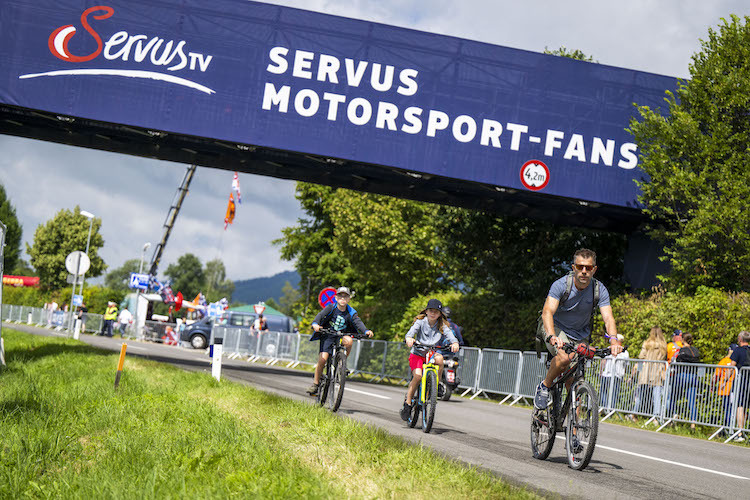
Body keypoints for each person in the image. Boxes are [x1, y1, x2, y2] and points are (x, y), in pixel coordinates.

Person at [535, 248, 622, 412]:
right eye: (580, 266)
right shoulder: (561, 285)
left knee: (575, 383)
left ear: (594, 269)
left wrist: (614, 339)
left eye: (588, 268)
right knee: (564, 358)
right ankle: (545, 386)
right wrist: (552, 335)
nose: (584, 271)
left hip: (580, 335)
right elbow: (547, 312)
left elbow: (608, 318)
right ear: (573, 267)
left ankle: (574, 435)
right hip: (555, 328)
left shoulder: (599, 289)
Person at [306, 287, 373, 396]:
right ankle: (316, 383)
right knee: (323, 359)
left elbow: (358, 322)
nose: (343, 298)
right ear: (336, 298)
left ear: (349, 299)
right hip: (328, 334)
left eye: (345, 296)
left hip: (342, 335)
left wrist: (366, 330)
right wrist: (315, 324)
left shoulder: (351, 311)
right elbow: (320, 316)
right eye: (340, 296)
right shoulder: (330, 307)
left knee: (349, 341)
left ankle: (342, 363)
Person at [400, 298, 459, 420]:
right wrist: (409, 339)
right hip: (417, 353)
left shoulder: (441, 325)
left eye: (436, 312)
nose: (433, 313)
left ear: (440, 314)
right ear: (426, 311)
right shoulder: (420, 322)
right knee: (417, 376)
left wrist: (455, 343)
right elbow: (411, 333)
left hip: (431, 353)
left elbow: (450, 335)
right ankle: (408, 403)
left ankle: (435, 386)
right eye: (431, 311)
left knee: (440, 359)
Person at [632, 327, 668, 419]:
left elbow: (641, 356)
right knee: (656, 394)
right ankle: (656, 416)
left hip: (646, 369)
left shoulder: (647, 343)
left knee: (641, 393)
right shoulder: (663, 345)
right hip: (657, 369)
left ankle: (634, 413)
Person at [675, 332, 702, 429]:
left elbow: (677, 361)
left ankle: (672, 415)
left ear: (683, 339)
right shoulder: (695, 350)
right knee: (692, 401)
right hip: (693, 377)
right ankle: (693, 422)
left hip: (682, 376)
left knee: (673, 396)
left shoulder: (683, 350)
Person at [729, 330, 750, 441]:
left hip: (742, 381)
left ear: (740, 340)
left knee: (740, 406)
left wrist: (725, 380)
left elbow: (732, 366)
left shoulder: (738, 350)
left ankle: (739, 433)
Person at [599, 334, 629, 409]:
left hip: (616, 375)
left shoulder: (623, 352)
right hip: (609, 374)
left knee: (611, 393)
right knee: (607, 392)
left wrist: (600, 371)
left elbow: (604, 361)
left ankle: (608, 409)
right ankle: (607, 408)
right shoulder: (624, 352)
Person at [713, 343, 737, 435]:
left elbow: (716, 374)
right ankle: (729, 429)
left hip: (725, 389)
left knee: (727, 410)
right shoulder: (737, 361)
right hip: (734, 389)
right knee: (731, 410)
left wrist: (713, 384)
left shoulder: (724, 361)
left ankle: (727, 430)